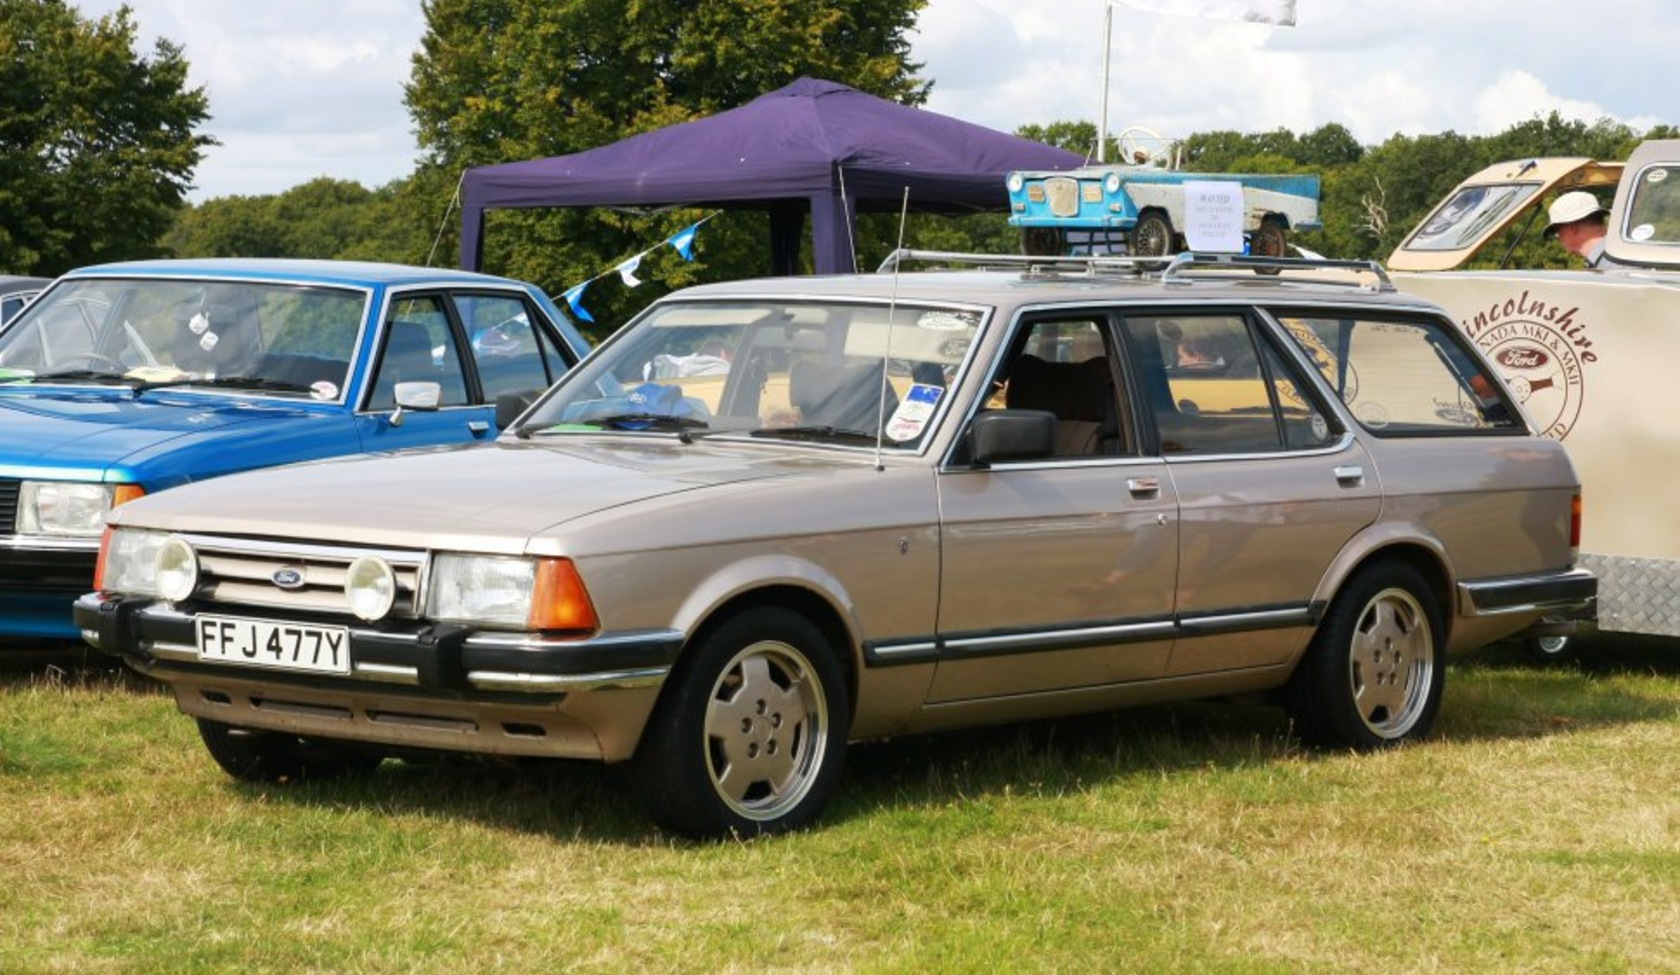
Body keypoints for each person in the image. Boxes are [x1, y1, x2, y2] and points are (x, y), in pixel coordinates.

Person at [1544, 191, 1618, 268]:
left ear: (1572, 228)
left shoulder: (1609, 266)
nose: (1558, 237)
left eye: (1557, 231)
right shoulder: (1619, 253)